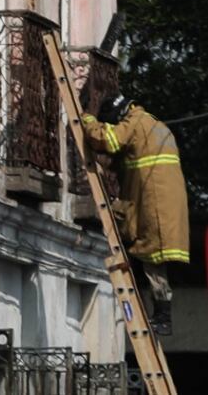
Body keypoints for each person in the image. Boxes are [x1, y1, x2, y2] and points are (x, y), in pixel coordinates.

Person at [81, 94, 189, 336]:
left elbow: (108, 139)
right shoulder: (154, 125)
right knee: (149, 257)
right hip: (159, 204)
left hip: (153, 208)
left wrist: (86, 121)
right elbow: (128, 160)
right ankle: (158, 314)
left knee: (151, 259)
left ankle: (162, 318)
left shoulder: (135, 122)